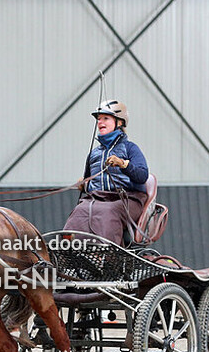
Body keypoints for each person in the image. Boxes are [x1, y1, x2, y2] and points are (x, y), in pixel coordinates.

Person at [64, 99, 149, 245]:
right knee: (80, 211)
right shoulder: (94, 154)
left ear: (120, 122)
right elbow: (89, 181)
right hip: (98, 199)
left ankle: (109, 254)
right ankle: (69, 250)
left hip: (127, 199)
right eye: (98, 119)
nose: (100, 122)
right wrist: (84, 185)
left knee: (108, 212)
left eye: (105, 118)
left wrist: (123, 164)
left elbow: (142, 176)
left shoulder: (130, 148)